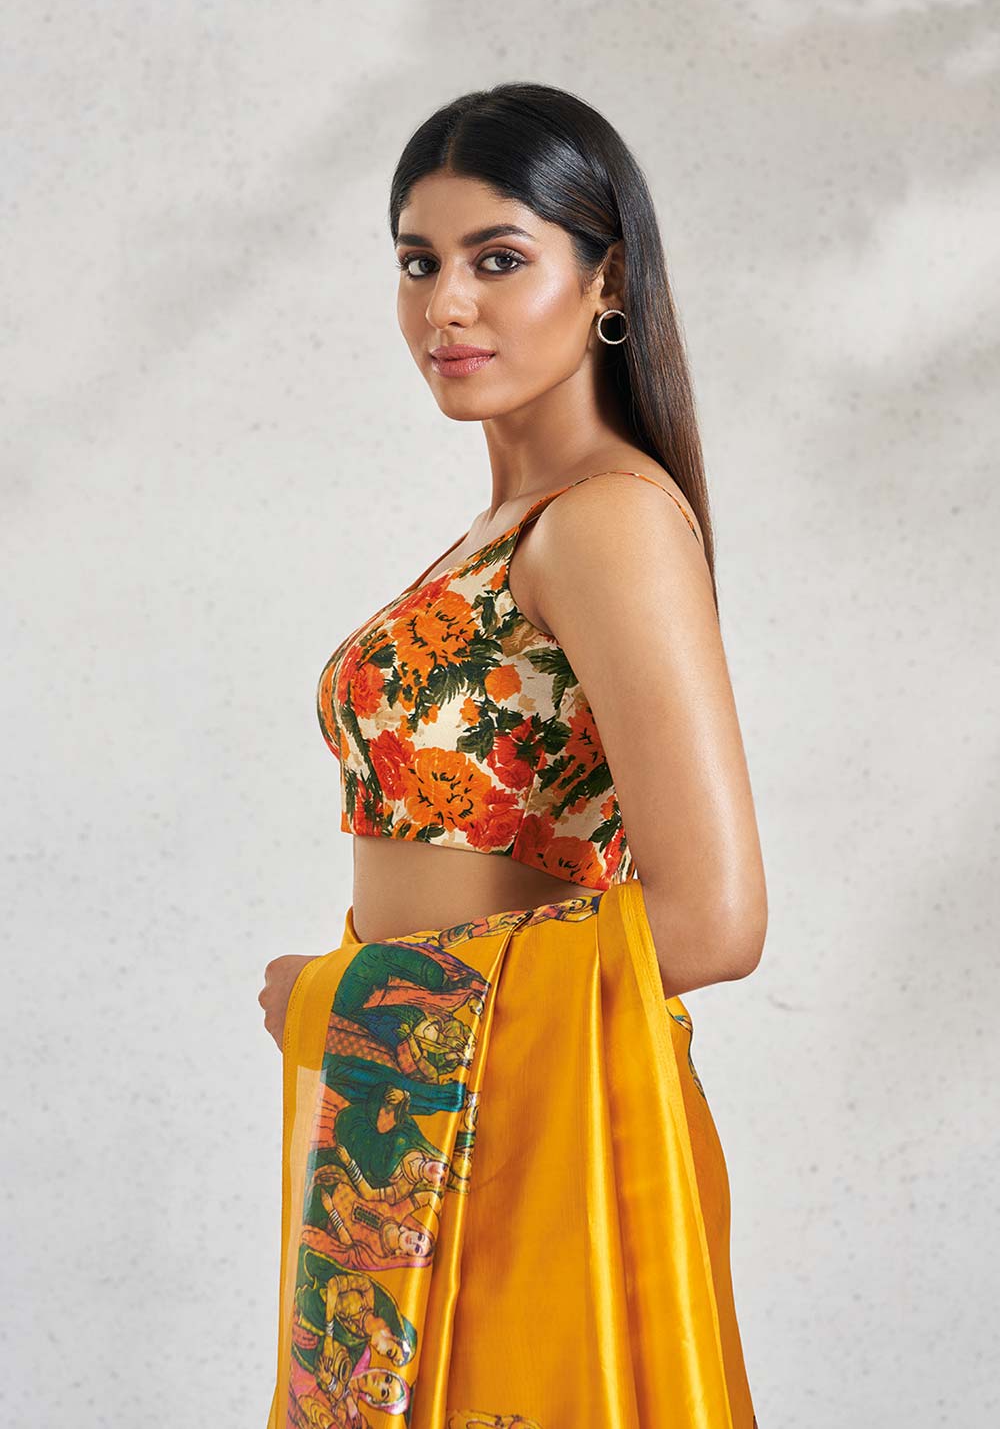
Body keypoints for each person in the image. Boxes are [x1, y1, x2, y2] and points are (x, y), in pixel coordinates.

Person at [259, 81, 766, 1429]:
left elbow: (714, 922)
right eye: (417, 262)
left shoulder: (607, 522)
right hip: (417, 1133)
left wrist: (351, 1000)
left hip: (541, 1148)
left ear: (607, 280)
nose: (446, 306)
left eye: (497, 259)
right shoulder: (509, 527)